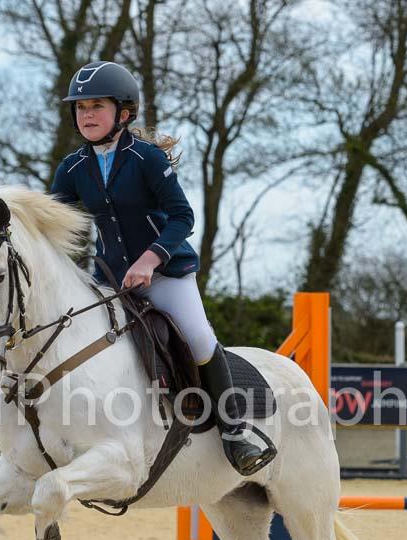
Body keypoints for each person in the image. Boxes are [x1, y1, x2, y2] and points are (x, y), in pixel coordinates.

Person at [49, 60, 274, 476]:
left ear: (124, 113)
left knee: (200, 338)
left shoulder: (147, 158)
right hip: (111, 281)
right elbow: (52, 226)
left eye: (97, 106)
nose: (87, 115)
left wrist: (150, 259)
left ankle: (235, 434)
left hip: (167, 273)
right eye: (80, 108)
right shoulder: (72, 169)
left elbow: (182, 217)